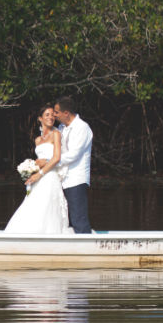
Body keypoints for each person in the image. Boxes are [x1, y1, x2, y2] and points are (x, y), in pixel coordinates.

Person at [5, 105, 71, 234]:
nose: (51, 117)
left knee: (46, 207)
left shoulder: (56, 134)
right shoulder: (38, 140)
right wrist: (32, 169)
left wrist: (39, 173)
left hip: (49, 176)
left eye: (52, 114)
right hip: (38, 178)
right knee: (33, 207)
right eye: (47, 115)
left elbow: (56, 158)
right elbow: (40, 161)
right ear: (40, 118)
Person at [53, 95, 92, 234]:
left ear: (66, 113)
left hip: (76, 179)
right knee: (65, 219)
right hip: (62, 178)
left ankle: (87, 248)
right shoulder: (62, 127)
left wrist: (51, 162)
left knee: (78, 218)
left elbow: (73, 155)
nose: (54, 115)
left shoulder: (82, 128)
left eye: (56, 112)